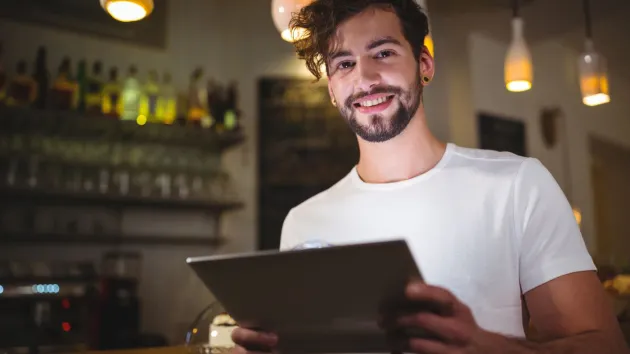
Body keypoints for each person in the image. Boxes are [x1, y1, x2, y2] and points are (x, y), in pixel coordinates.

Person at [232, 0, 628, 353]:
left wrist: (484, 347)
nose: (365, 78)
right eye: (344, 64)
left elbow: (606, 345)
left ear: (424, 65)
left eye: (383, 52)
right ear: (333, 90)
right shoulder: (302, 222)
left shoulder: (518, 184)